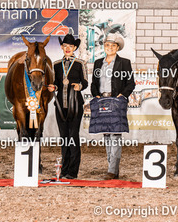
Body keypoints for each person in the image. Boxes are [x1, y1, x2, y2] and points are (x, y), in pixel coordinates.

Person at [90, 33, 136, 180]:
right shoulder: (98, 63)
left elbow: (131, 83)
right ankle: (113, 169)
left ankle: (112, 170)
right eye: (107, 45)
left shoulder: (124, 63)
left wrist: (122, 95)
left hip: (116, 101)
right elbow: (94, 83)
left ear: (117, 48)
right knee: (106, 134)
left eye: (113, 45)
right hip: (102, 100)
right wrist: (96, 94)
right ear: (104, 47)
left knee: (115, 134)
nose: (110, 47)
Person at [47, 34, 88, 179]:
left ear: (75, 48)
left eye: (70, 46)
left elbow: (85, 82)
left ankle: (72, 171)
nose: (68, 48)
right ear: (62, 47)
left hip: (75, 105)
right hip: (60, 106)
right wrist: (53, 87)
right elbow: (56, 83)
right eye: (65, 46)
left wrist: (79, 86)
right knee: (64, 137)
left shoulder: (80, 63)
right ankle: (64, 169)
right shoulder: (56, 64)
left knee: (73, 136)